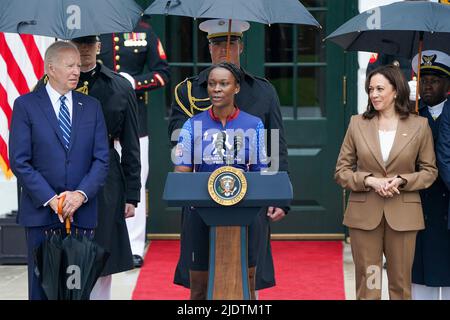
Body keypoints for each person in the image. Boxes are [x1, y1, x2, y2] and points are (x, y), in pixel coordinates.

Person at [168, 19, 288, 295]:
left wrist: (278, 194)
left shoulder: (263, 91)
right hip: (200, 196)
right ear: (209, 48)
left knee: (248, 277)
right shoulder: (189, 91)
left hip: (250, 197)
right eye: (217, 43)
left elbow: (275, 143)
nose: (224, 49)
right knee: (198, 280)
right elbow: (177, 141)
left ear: (241, 46)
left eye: (231, 42)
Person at [35, 36, 142, 299]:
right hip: (60, 173)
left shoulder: (118, 85)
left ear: (99, 46)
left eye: (88, 44)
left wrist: (131, 194)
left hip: (104, 176)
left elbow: (130, 143)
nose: (83, 49)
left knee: (102, 252)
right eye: (78, 44)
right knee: (62, 253)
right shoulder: (48, 84)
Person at [9, 41, 110, 300]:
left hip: (81, 214)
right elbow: (20, 161)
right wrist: (53, 200)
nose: (77, 70)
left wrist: (80, 195)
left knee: (76, 291)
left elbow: (101, 159)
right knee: (42, 290)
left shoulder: (91, 106)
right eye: (70, 66)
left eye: (78, 65)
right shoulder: (26, 105)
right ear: (50, 68)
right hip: (41, 215)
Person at [335, 65, 438, 300]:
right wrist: (369, 180)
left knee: (400, 286)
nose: (374, 94)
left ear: (396, 91)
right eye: (370, 89)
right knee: (369, 285)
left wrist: (402, 180)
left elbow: (429, 172)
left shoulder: (419, 126)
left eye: (380, 88)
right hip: (364, 217)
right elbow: (342, 171)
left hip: (403, 217)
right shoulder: (357, 123)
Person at [174, 62, 267, 299]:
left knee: (247, 285)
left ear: (236, 88)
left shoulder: (254, 125)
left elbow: (261, 171)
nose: (216, 89)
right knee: (198, 289)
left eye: (224, 84)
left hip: (245, 216)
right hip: (201, 216)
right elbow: (181, 172)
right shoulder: (192, 125)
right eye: (212, 84)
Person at [97, 16, 170, 268]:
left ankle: (134, 245)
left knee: (135, 183)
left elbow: (162, 74)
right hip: (99, 120)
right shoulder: (94, 31)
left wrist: (134, 83)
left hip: (134, 120)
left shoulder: (144, 31)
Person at [412, 50, 450, 300]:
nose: (427, 86)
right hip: (421, 206)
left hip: (447, 205)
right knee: (420, 274)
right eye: (423, 80)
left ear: (447, 85)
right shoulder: (413, 117)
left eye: (434, 80)